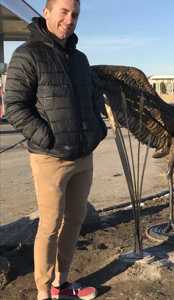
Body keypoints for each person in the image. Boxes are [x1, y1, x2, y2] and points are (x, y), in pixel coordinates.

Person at [5, 0, 107, 299]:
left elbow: (93, 99)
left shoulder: (80, 58)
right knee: (49, 225)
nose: (69, 19)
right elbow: (14, 106)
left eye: (74, 14)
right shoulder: (27, 54)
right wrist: (47, 138)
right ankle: (42, 291)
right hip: (49, 158)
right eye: (63, 11)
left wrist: (97, 130)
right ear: (46, 12)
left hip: (83, 156)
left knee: (74, 221)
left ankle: (61, 284)